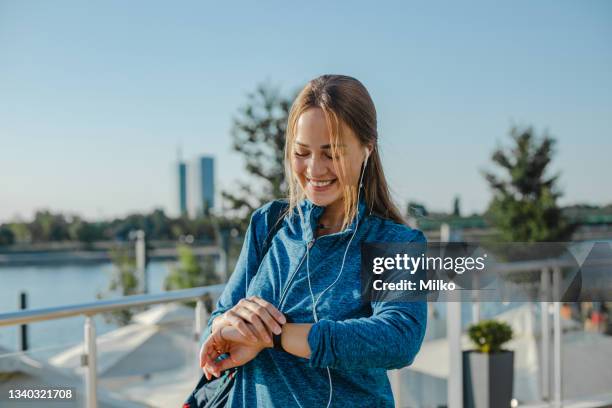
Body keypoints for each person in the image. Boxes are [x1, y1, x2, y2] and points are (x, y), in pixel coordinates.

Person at [199, 74, 427, 407]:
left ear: (367, 148)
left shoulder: (396, 242)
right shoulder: (268, 223)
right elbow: (216, 323)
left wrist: (274, 336)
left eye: (331, 153)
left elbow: (399, 338)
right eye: (302, 152)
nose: (314, 169)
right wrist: (227, 323)